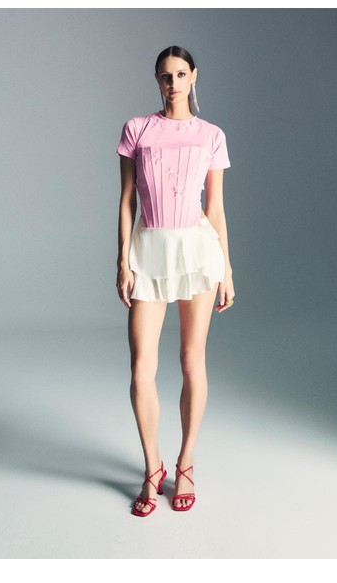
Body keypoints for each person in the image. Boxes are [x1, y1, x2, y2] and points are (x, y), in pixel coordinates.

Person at [115, 45, 235, 517]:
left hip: (196, 251)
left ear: (193, 76)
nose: (173, 83)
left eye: (181, 74)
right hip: (149, 249)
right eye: (165, 76)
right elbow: (126, 200)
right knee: (140, 366)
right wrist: (122, 261)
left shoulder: (211, 135)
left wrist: (227, 269)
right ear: (157, 80)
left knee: (190, 359)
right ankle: (152, 467)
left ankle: (185, 463)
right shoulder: (137, 129)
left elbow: (216, 208)